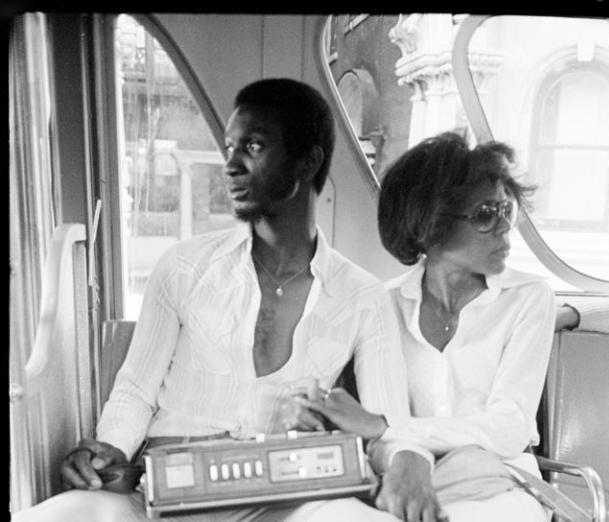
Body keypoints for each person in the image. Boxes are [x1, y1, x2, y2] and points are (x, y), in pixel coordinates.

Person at [13, 78, 440, 522]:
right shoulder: (182, 266)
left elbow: (390, 425)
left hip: (289, 499)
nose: (230, 164)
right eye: (229, 147)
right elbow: (136, 390)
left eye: (253, 146)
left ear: (308, 161)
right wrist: (107, 450)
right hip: (162, 492)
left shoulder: (364, 296)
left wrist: (411, 460)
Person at [298, 132, 556, 522]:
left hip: (498, 483)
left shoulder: (529, 298)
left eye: (508, 211)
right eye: (486, 214)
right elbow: (379, 436)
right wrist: (392, 443)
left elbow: (510, 429)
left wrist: (387, 428)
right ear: (427, 225)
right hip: (399, 478)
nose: (505, 228)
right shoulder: (380, 305)